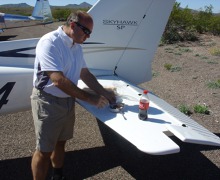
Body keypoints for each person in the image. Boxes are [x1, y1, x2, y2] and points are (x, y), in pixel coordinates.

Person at [30, 10, 116, 180]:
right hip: (48, 102)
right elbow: (58, 80)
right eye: (87, 32)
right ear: (73, 25)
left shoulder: (76, 46)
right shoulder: (50, 42)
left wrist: (104, 92)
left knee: (61, 142)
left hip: (68, 100)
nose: (88, 37)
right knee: (44, 150)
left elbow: (85, 74)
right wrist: (91, 99)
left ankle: (58, 175)